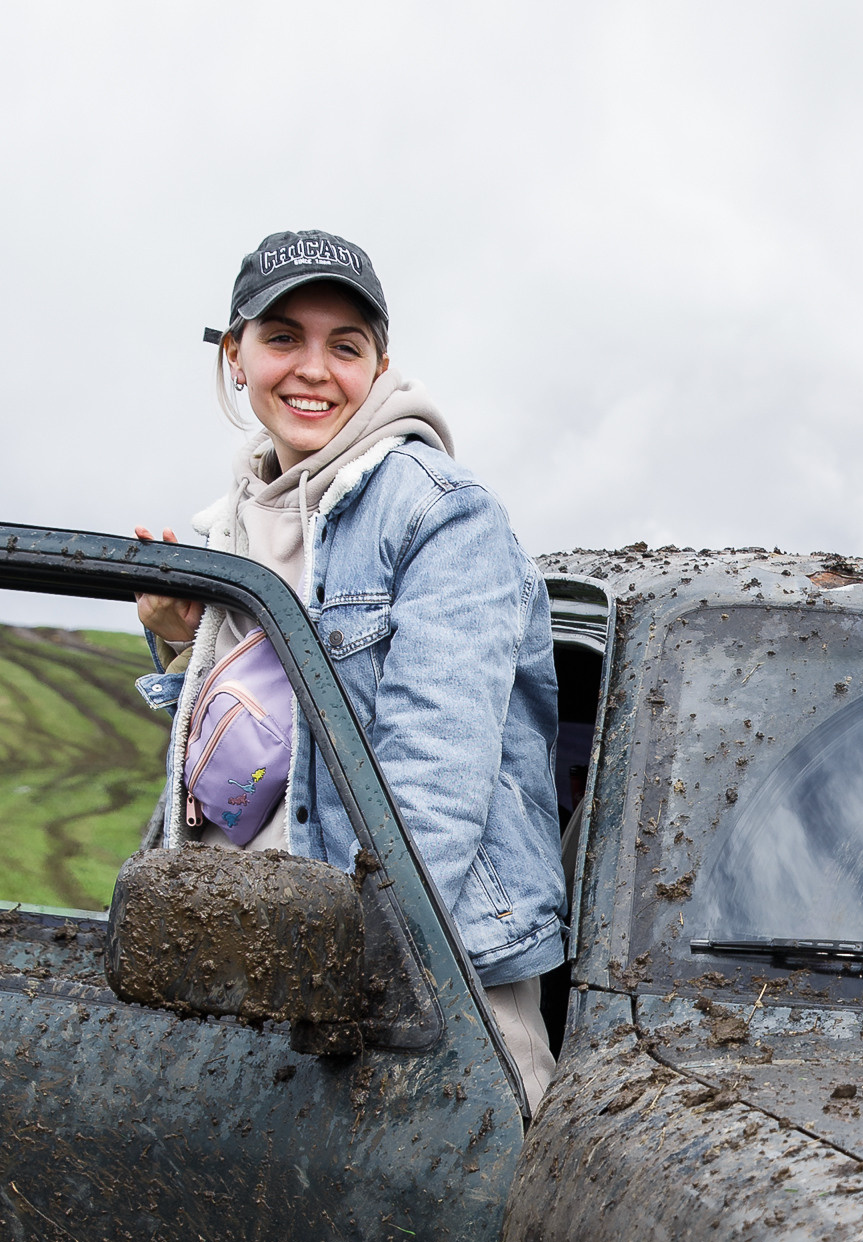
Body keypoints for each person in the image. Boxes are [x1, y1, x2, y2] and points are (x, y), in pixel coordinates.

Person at [135, 229, 566, 1112]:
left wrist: (351, 986)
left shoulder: (441, 516)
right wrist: (182, 645)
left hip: (414, 999)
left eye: (345, 345)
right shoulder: (226, 526)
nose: (313, 370)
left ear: (380, 365)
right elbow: (251, 777)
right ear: (235, 355)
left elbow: (431, 794)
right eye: (282, 338)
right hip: (252, 973)